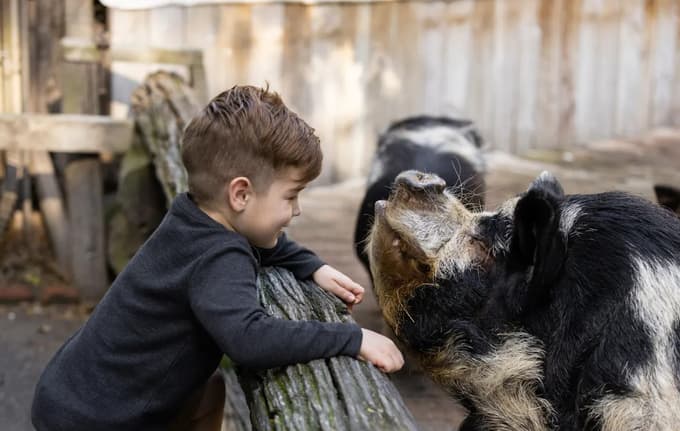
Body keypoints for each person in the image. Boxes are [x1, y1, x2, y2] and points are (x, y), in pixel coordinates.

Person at [31, 85, 404, 431]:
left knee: (210, 388)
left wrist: (313, 267)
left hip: (72, 388)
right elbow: (250, 338)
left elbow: (266, 242)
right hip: (96, 419)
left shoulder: (191, 215)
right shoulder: (220, 256)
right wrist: (351, 338)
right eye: (291, 196)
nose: (297, 210)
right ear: (240, 194)